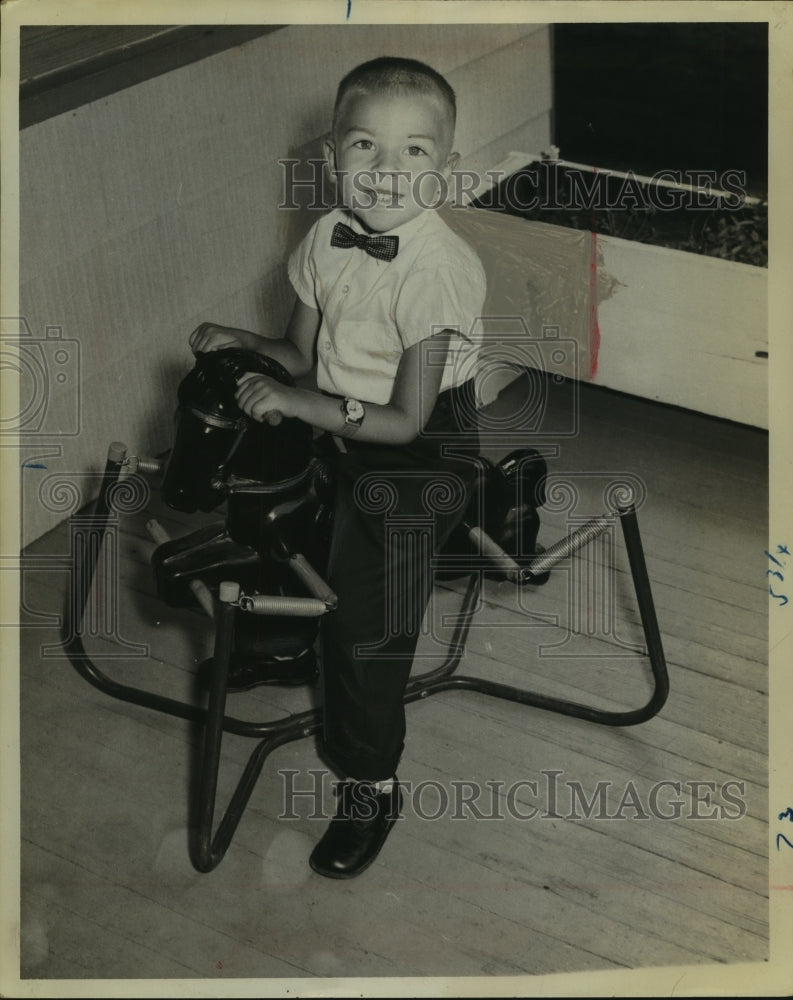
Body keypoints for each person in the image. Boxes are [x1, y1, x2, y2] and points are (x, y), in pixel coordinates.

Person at [188, 56, 487, 878]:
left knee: (367, 622)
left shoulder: (437, 269)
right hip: (342, 419)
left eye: (414, 153)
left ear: (446, 168)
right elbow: (299, 352)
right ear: (331, 155)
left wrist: (307, 407)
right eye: (365, 146)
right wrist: (248, 347)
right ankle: (289, 647)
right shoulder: (327, 232)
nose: (386, 173)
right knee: (274, 520)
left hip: (418, 453)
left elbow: (404, 420)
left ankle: (370, 781)